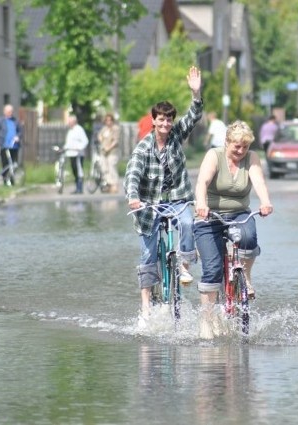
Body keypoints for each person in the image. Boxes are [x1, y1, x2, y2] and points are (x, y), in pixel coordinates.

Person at [124, 66, 203, 317]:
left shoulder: (177, 136)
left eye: (169, 119)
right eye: (161, 119)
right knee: (148, 253)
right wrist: (133, 197)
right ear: (154, 121)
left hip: (177, 198)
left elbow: (193, 116)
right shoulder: (143, 148)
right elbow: (133, 175)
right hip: (149, 205)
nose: (166, 123)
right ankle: (147, 304)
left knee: (189, 222)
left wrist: (196, 93)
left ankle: (184, 262)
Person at [194, 120, 274, 339]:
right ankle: (207, 321)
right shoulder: (214, 155)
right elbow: (202, 182)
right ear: (226, 141)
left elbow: (258, 182)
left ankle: (245, 276)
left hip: (239, 212)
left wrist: (265, 202)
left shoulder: (252, 158)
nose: (241, 151)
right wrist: (201, 204)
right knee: (212, 269)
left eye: (245, 146)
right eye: (236, 146)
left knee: (249, 238)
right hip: (209, 215)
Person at [0, 104, 23, 186]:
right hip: (4, 146)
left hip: (14, 147)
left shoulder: (16, 121)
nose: (10, 113)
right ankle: (5, 181)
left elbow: (21, 131)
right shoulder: (0, 121)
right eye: (8, 111)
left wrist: (18, 137)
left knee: (13, 164)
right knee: (5, 164)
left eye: (11, 111)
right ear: (4, 112)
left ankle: (12, 180)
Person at [63, 114, 89, 194]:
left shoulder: (79, 129)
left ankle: (80, 188)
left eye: (70, 121)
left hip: (78, 154)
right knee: (74, 171)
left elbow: (85, 141)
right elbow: (69, 143)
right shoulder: (70, 131)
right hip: (71, 154)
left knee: (79, 171)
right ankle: (77, 187)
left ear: (74, 121)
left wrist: (79, 148)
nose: (68, 123)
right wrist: (63, 148)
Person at [97, 113, 120, 193]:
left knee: (111, 167)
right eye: (106, 120)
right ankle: (109, 184)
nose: (108, 122)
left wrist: (109, 147)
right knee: (104, 168)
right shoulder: (104, 129)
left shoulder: (115, 128)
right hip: (103, 151)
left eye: (110, 120)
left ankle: (114, 185)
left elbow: (115, 140)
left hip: (112, 151)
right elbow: (99, 136)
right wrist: (100, 138)